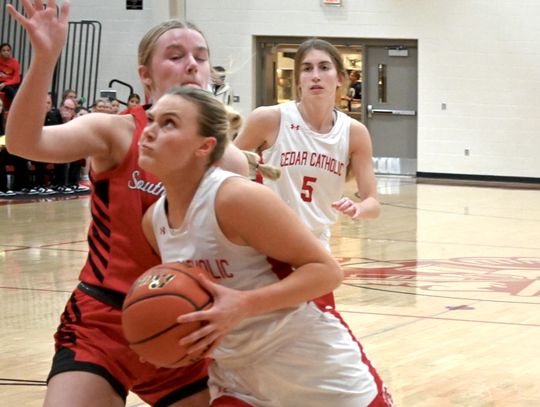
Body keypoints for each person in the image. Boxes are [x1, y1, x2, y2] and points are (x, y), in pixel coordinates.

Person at [6, 1, 247, 405]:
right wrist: (45, 59)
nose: (191, 64)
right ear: (145, 77)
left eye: (200, 57)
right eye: (175, 56)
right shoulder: (116, 132)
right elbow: (25, 142)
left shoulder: (228, 159)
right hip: (102, 320)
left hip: (187, 323)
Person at [139, 86, 393, 407]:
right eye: (151, 119)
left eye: (169, 123)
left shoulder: (235, 198)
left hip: (315, 368)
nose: (149, 131)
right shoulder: (154, 221)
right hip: (238, 379)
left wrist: (244, 304)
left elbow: (327, 273)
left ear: (204, 146)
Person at [234, 38, 381, 307]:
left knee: (325, 339)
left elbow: (373, 203)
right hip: (264, 246)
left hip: (314, 249)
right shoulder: (269, 119)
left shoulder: (354, 133)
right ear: (298, 79)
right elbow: (223, 172)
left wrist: (359, 208)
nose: (315, 76)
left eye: (324, 67)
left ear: (340, 78)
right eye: (307, 68)